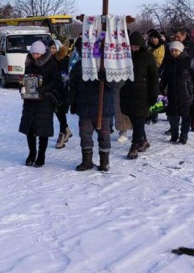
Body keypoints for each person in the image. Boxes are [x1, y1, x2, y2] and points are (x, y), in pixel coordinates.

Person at [69, 40, 119, 172]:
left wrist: (107, 77)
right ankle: (87, 161)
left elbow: (118, 84)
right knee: (85, 136)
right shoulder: (80, 65)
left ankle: (104, 162)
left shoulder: (107, 65)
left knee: (104, 135)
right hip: (84, 107)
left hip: (104, 108)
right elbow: (72, 82)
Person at [18, 41, 62, 166]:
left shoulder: (51, 64)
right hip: (30, 100)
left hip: (44, 101)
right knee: (30, 128)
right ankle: (32, 154)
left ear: (42, 53)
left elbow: (57, 81)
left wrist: (45, 88)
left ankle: (41, 155)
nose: (35, 55)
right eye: (33, 53)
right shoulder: (29, 62)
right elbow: (26, 77)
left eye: (37, 53)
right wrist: (22, 86)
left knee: (43, 129)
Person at [120, 32, 159, 159]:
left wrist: (154, 95)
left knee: (138, 121)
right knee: (135, 120)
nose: (133, 48)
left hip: (143, 94)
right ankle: (144, 141)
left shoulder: (148, 57)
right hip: (127, 93)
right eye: (131, 46)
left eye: (136, 46)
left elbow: (154, 78)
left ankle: (134, 146)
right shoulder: (125, 57)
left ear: (141, 45)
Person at [160, 41, 194, 144]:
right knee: (172, 116)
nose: (173, 52)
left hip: (187, 95)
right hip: (172, 94)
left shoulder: (189, 60)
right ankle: (174, 135)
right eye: (171, 51)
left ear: (181, 50)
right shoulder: (168, 62)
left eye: (176, 50)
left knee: (186, 117)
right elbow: (164, 77)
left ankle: (184, 136)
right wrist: (161, 90)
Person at [52, 41, 73, 149]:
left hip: (64, 90)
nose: (52, 50)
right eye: (50, 48)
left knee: (61, 112)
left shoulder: (65, 59)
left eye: (53, 48)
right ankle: (66, 130)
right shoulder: (49, 60)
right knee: (57, 112)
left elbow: (68, 74)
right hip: (52, 90)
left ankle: (62, 135)